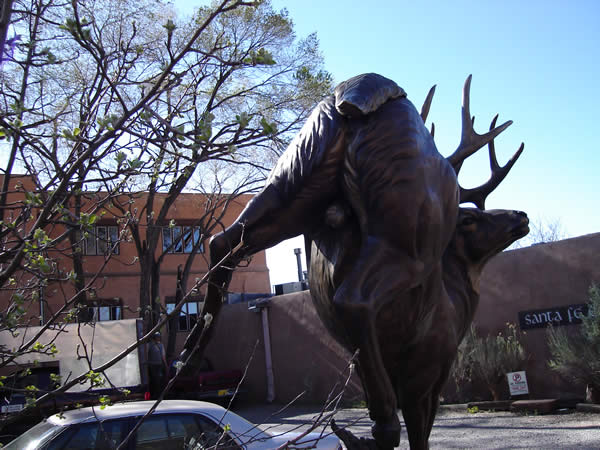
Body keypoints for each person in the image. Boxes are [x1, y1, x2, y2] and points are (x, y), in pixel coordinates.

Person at [147, 331, 168, 399]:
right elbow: (146, 354)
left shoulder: (160, 345)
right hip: (152, 365)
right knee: (154, 380)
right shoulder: (150, 345)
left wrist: (165, 365)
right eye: (157, 337)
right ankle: (155, 394)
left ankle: (159, 394)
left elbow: (163, 356)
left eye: (158, 337)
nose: (158, 338)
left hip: (159, 365)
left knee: (158, 380)